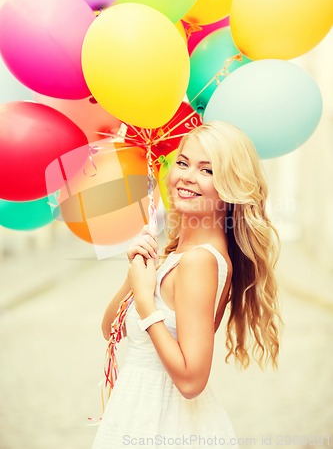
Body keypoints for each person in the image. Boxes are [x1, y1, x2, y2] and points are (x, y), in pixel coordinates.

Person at [92, 120, 281, 449]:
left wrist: (145, 302)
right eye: (183, 162)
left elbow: (192, 380)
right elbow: (111, 331)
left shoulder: (199, 262)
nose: (187, 177)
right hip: (139, 410)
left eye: (207, 170)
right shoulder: (181, 253)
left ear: (231, 188)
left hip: (163, 421)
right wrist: (133, 279)